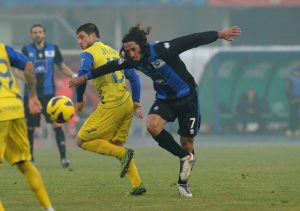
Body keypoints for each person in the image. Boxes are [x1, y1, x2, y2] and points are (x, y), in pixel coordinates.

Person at [69, 24, 241, 197]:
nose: (131, 55)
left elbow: (192, 40)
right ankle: (185, 157)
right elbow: (111, 66)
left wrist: (219, 34)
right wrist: (84, 78)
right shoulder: (130, 58)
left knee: (187, 141)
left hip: (187, 97)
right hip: (165, 99)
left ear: (141, 46)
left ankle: (183, 182)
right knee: (152, 125)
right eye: (127, 51)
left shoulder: (162, 49)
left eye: (133, 50)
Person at [73, 23, 146, 195]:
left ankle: (123, 154)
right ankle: (137, 185)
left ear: (92, 36)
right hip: (127, 102)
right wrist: (136, 101)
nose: (79, 42)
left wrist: (79, 99)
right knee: (116, 144)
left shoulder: (88, 53)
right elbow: (134, 77)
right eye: (78, 39)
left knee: (81, 141)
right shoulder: (114, 52)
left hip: (112, 104)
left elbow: (82, 75)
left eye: (82, 37)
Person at [0, 43, 55, 210]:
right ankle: (49, 208)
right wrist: (32, 95)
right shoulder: (2, 48)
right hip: (15, 109)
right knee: (24, 162)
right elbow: (29, 65)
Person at [18, 24, 76, 167]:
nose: (37, 34)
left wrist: (75, 75)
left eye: (40, 32)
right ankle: (30, 158)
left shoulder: (53, 49)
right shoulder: (26, 50)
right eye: (34, 32)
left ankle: (63, 158)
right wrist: (27, 79)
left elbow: (62, 67)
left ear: (44, 34)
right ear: (31, 35)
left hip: (49, 95)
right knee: (30, 127)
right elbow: (18, 70)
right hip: (30, 95)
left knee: (56, 123)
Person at [285, 68, 300, 136]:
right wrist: (291, 99)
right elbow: (287, 90)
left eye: (298, 72)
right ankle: (290, 129)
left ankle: (297, 129)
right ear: (293, 73)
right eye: (295, 72)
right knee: (292, 115)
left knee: (297, 115)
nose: (297, 73)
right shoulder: (289, 80)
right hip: (293, 100)